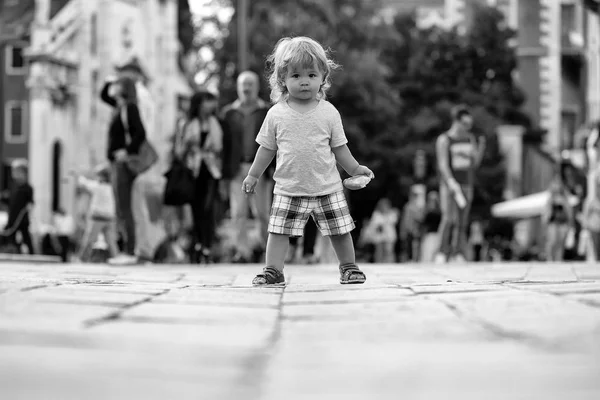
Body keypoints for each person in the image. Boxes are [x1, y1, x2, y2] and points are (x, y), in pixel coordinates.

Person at [242, 36, 374, 286]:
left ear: (323, 77)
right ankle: (273, 270)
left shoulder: (329, 112)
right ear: (282, 79)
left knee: (340, 230)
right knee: (278, 231)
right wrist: (253, 175)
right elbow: (266, 149)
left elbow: (340, 148)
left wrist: (355, 169)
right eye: (296, 76)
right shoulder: (276, 114)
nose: (305, 81)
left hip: (327, 186)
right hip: (288, 187)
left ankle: (349, 267)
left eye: (312, 75)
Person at [221, 71, 272, 263]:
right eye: (243, 84)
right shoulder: (228, 113)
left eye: (250, 84)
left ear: (257, 86)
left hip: (261, 168)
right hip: (236, 168)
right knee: (238, 213)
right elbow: (224, 145)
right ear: (238, 87)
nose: (247, 88)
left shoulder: (266, 111)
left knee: (262, 213)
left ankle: (268, 251)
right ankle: (241, 252)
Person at [100, 76, 146, 263]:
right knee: (120, 207)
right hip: (116, 164)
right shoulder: (118, 106)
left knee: (124, 207)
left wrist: (126, 151)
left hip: (123, 164)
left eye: (118, 84)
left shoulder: (130, 107)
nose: (114, 87)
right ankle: (125, 248)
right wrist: (108, 82)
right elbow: (103, 96)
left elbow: (140, 133)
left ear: (125, 88)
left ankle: (129, 250)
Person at [435, 105, 486, 264]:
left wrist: (481, 147)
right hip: (450, 185)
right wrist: (450, 181)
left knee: (462, 221)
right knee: (448, 218)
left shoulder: (469, 138)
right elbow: (443, 164)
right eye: (465, 124)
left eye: (469, 125)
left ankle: (457, 252)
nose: (467, 128)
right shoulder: (445, 139)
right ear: (456, 122)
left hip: (466, 184)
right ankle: (442, 252)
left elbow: (474, 163)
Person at [179, 91, 223, 263]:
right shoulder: (187, 123)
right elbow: (179, 150)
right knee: (195, 209)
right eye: (207, 102)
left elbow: (219, 147)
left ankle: (206, 245)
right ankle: (197, 244)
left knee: (208, 208)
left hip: (211, 170)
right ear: (198, 103)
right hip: (193, 170)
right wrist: (189, 145)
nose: (210, 106)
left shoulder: (214, 123)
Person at [74, 166, 120, 262]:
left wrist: (77, 175)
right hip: (110, 217)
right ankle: (116, 257)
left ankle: (82, 258)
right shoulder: (111, 188)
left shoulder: (97, 187)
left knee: (89, 239)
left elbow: (84, 183)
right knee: (111, 241)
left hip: (97, 217)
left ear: (102, 177)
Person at [1, 159, 35, 254]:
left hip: (22, 219)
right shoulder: (13, 187)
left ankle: (31, 253)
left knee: (26, 237)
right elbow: (9, 200)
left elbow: (31, 201)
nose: (13, 174)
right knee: (9, 236)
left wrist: (30, 205)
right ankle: (11, 251)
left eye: (15, 171)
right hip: (12, 217)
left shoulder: (27, 188)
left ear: (23, 173)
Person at [542, 177, 574, 262]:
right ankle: (550, 259)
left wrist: (570, 223)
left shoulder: (564, 198)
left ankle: (558, 260)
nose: (557, 186)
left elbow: (569, 212)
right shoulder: (550, 198)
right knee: (552, 241)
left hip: (562, 223)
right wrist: (545, 222)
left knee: (560, 242)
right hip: (553, 223)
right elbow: (546, 212)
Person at [365, 198, 399, 263]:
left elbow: (394, 221)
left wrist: (386, 217)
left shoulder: (392, 213)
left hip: (389, 235)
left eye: (385, 206)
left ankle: (390, 264)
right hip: (379, 236)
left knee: (389, 250)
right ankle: (378, 263)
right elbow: (374, 224)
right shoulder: (376, 214)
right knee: (379, 251)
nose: (384, 207)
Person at [420, 191, 441, 262]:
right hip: (429, 235)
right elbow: (424, 225)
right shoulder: (427, 211)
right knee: (427, 255)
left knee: (434, 255)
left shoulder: (439, 212)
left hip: (437, 235)